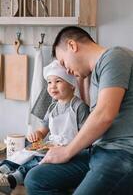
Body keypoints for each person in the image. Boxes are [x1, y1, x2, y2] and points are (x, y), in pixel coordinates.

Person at [24, 26, 133, 195]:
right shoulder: (95, 74)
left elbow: (104, 115)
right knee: (35, 179)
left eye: (63, 62)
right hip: (99, 151)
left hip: (121, 153)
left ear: (72, 46)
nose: (66, 70)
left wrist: (66, 152)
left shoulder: (115, 56)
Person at [0, 59, 90, 191]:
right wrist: (38, 134)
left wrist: (67, 149)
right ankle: (6, 167)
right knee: (26, 149)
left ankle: (14, 179)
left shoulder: (79, 107)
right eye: (49, 82)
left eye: (58, 81)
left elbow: (86, 136)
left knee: (38, 160)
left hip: (70, 149)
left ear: (72, 85)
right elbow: (44, 130)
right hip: (50, 145)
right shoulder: (52, 107)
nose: (52, 86)